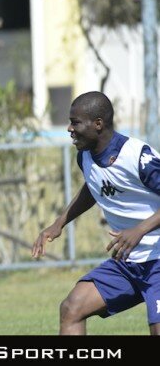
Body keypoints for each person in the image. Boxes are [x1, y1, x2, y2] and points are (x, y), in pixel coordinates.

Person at [32, 91, 160, 335]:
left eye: (75, 122)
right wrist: (59, 223)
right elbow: (93, 187)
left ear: (98, 124)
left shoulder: (137, 156)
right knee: (72, 308)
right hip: (127, 263)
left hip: (158, 259)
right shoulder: (86, 157)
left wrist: (140, 230)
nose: (69, 128)